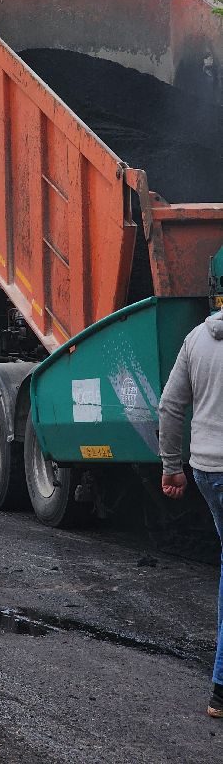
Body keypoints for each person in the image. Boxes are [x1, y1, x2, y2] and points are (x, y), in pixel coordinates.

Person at [159, 307, 223, 719]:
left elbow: (170, 405)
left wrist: (171, 465)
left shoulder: (198, 337)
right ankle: (221, 688)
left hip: (207, 470)